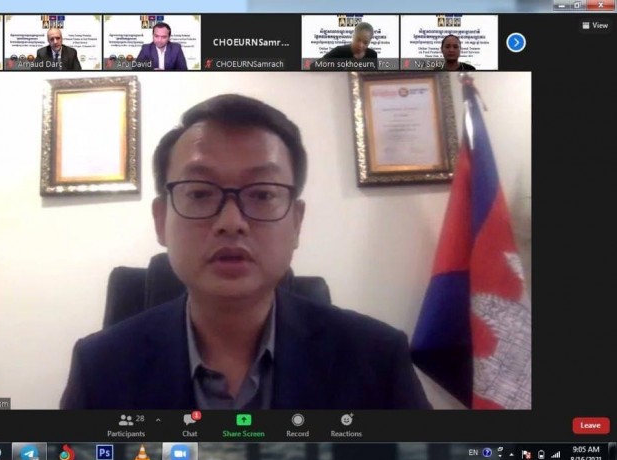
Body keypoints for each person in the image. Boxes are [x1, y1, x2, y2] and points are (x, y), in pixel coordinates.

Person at [60, 94, 432, 410]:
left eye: (263, 194)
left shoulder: (377, 358)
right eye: (200, 193)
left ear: (296, 222)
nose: (231, 222)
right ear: (161, 220)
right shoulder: (100, 366)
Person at [310, 22, 378, 70]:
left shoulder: (372, 55)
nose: (360, 45)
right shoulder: (339, 51)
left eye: (365, 42)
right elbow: (313, 66)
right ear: (353, 36)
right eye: (358, 39)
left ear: (370, 41)